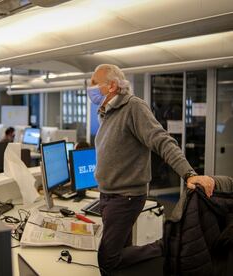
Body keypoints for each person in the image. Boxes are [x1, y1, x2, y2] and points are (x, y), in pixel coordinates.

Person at [88, 64, 215, 274]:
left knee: (108, 259)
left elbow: (162, 140)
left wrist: (189, 174)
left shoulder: (133, 107)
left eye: (93, 82)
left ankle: (167, 245)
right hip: (110, 195)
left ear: (111, 86)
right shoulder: (107, 112)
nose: (89, 87)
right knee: (122, 255)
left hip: (125, 197)